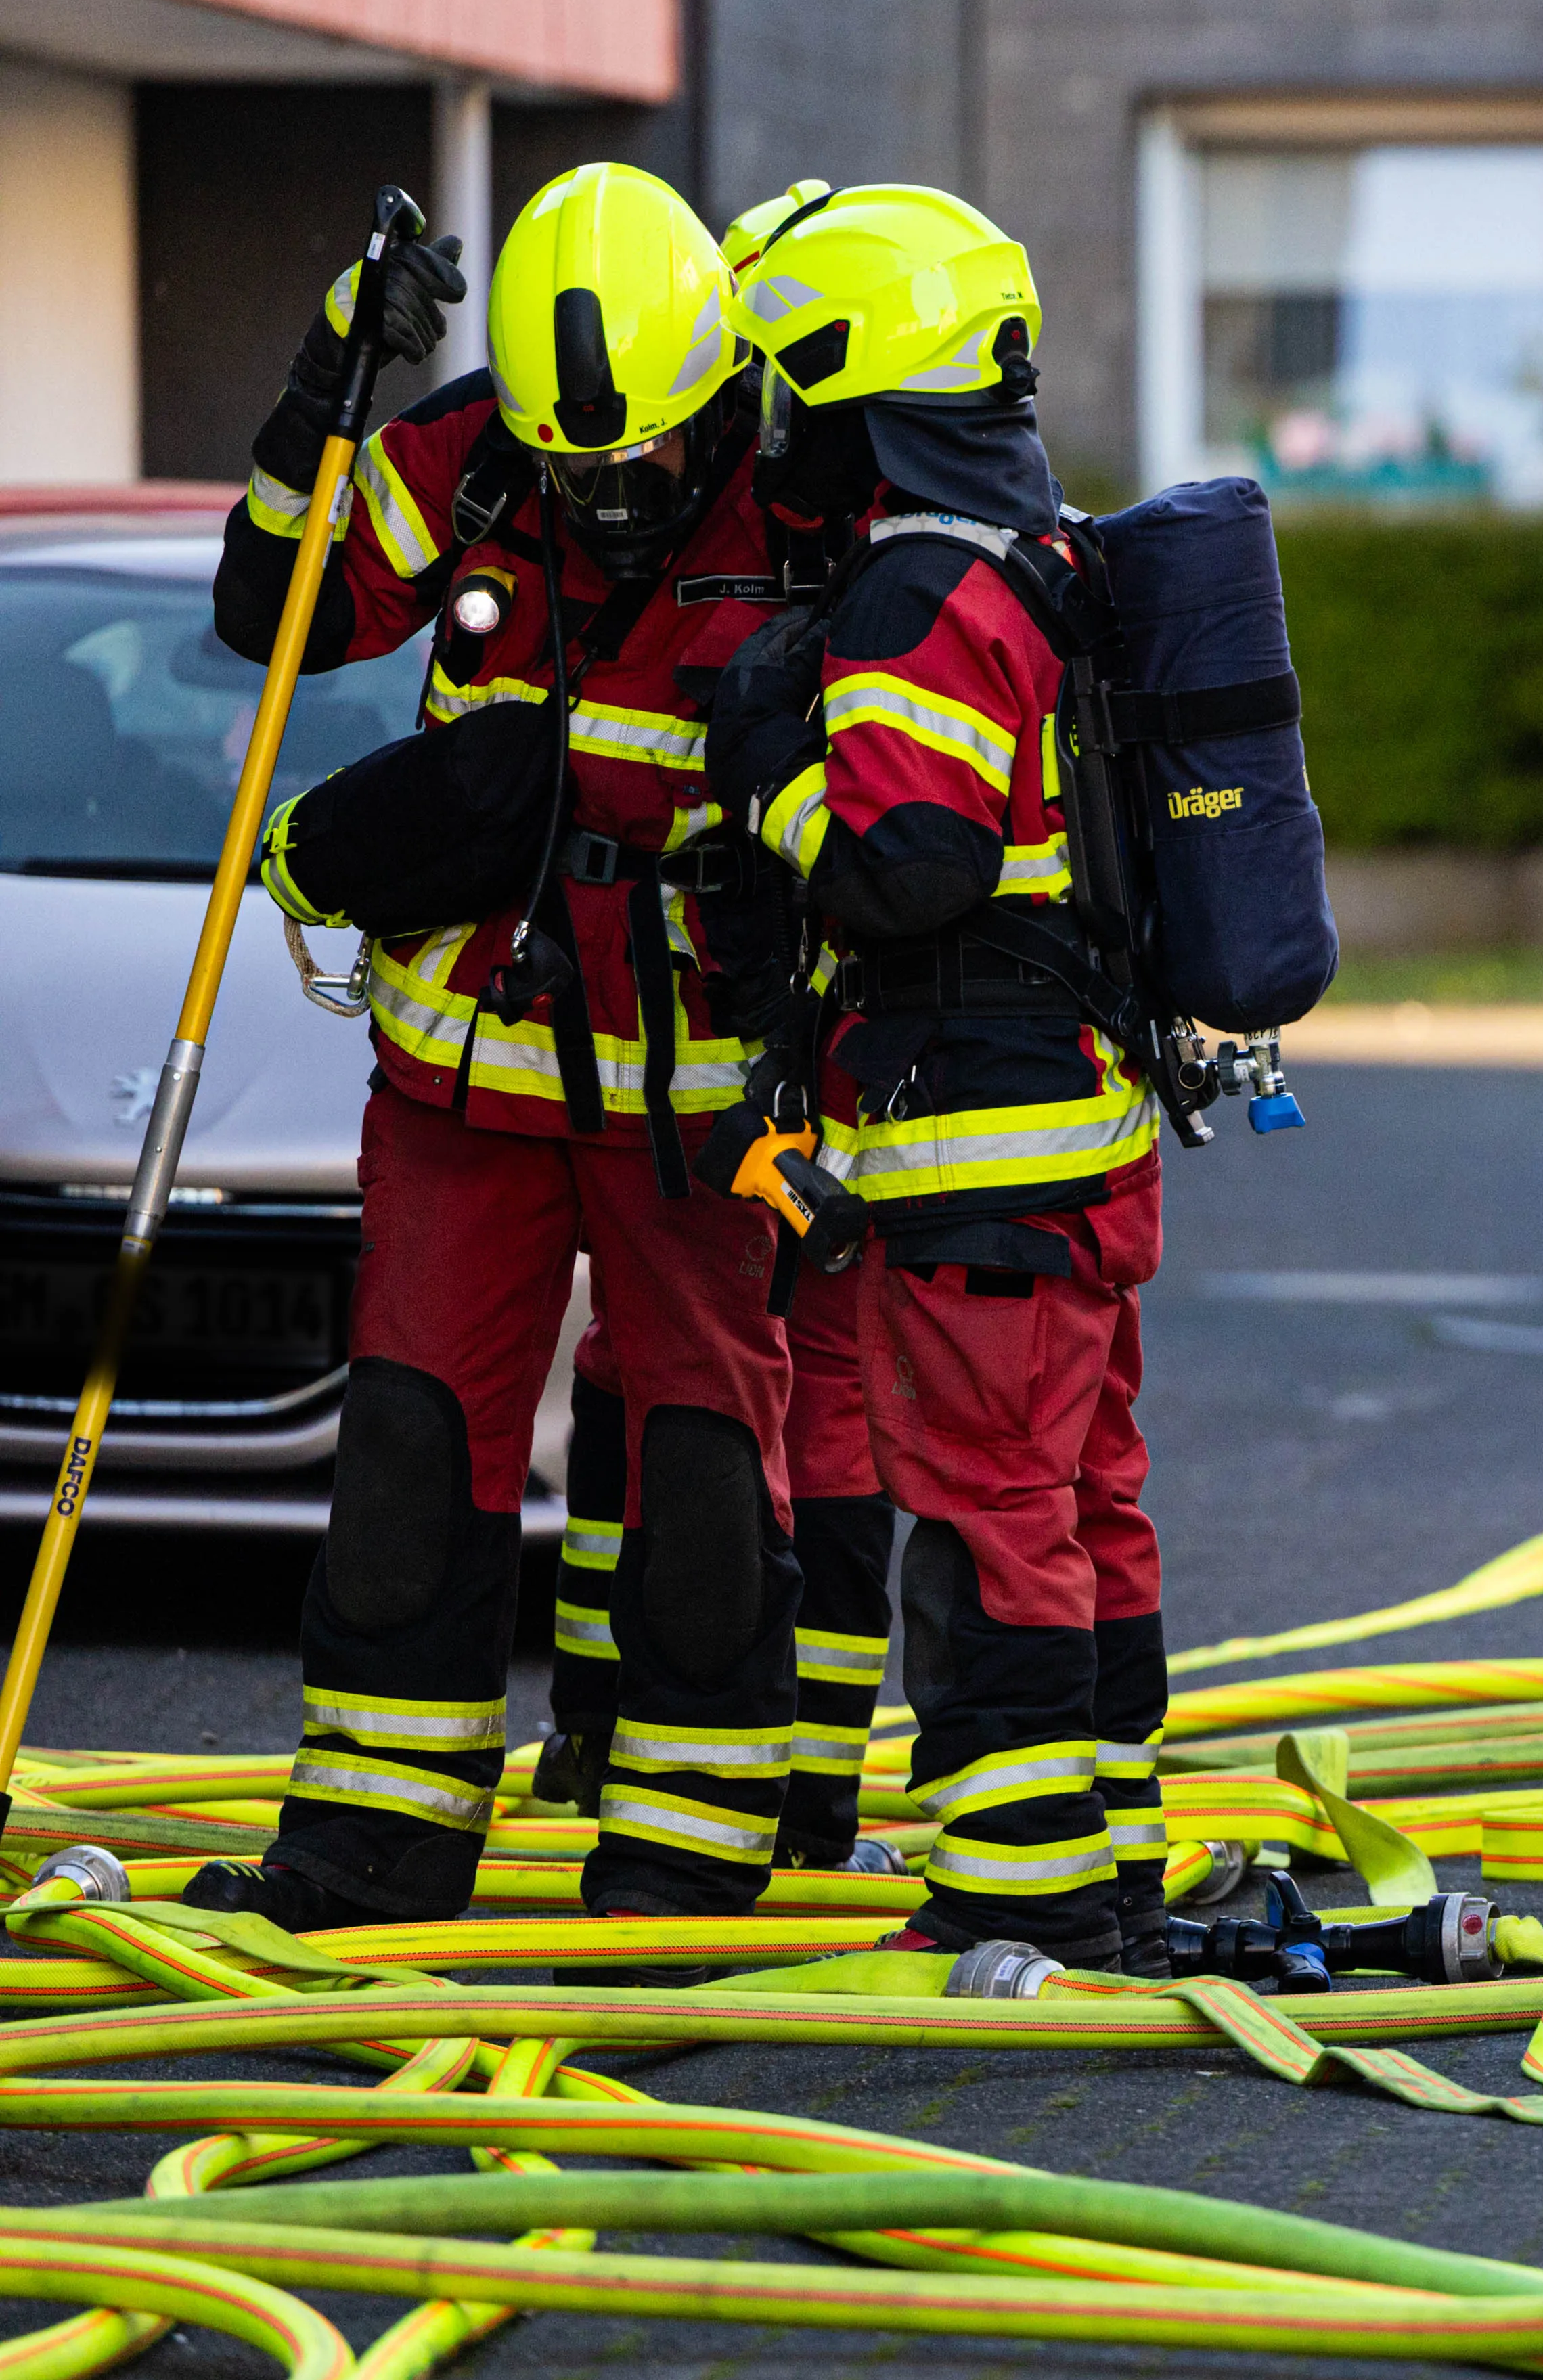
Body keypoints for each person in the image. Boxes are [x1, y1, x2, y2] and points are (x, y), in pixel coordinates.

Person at [187, 163, 805, 1936]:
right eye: (580, 468)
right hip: (469, 1071)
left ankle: (682, 1856)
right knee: (410, 1444)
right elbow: (270, 611)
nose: (614, 497)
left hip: (696, 1093)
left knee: (698, 1463)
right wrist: (324, 390)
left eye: (651, 461)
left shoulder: (804, 489)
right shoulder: (469, 453)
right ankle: (374, 1846)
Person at [716, 184, 1171, 1974]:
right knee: (1082, 1496)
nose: (773, 437)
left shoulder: (920, 589)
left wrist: (770, 777)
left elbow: (908, 864)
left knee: (984, 1515)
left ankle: (1018, 1888)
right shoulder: (1046, 550)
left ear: (855, 387)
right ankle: (1111, 1853)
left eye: (786, 394)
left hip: (977, 1145)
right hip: (1081, 1132)